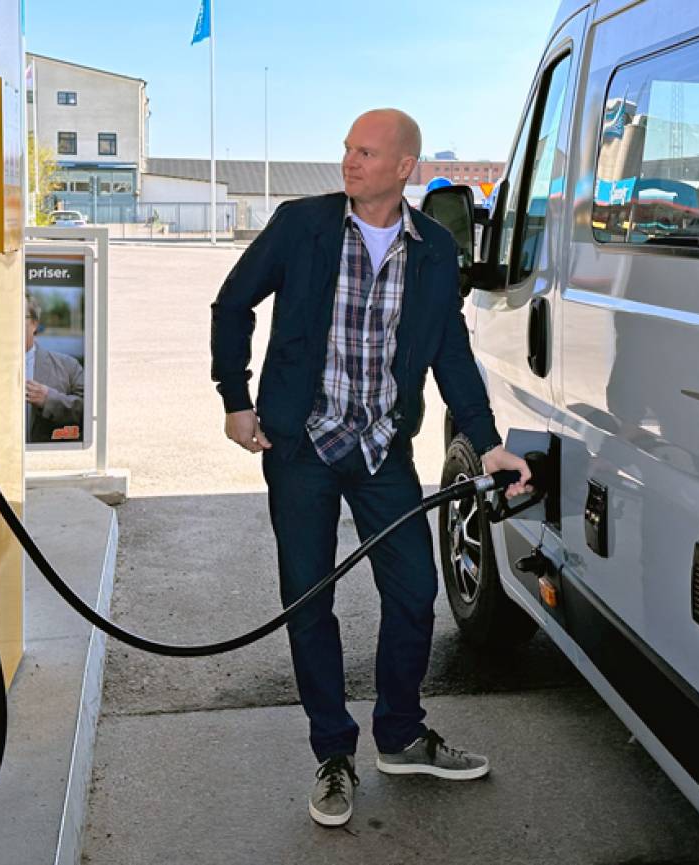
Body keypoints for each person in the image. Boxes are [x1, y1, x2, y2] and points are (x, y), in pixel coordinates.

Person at [210, 108, 530, 828]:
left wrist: (487, 443)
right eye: (348, 149)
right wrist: (235, 398)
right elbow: (233, 302)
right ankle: (333, 752)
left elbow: (451, 351)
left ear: (403, 168)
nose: (349, 161)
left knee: (415, 592)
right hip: (301, 449)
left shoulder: (434, 249)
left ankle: (401, 734)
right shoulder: (302, 225)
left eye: (366, 152)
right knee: (308, 602)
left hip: (383, 450)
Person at [25, 296, 85, 442]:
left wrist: (49, 400)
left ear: (34, 324)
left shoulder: (68, 366)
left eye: (17, 316)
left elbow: (90, 411)